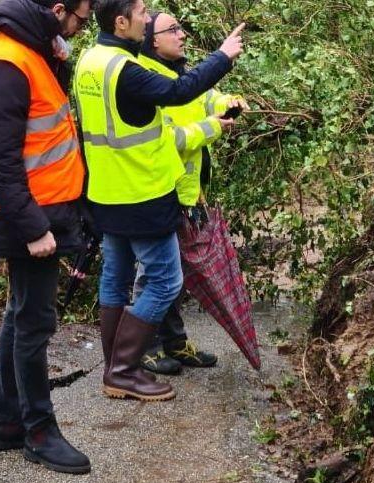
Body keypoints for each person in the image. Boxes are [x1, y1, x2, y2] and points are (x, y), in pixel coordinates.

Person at [73, 0, 245, 401]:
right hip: (142, 190)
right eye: (142, 13)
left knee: (115, 277)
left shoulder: (90, 60)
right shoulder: (126, 70)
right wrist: (222, 56)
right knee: (166, 282)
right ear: (120, 22)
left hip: (105, 190)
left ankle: (115, 365)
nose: (147, 20)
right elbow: (177, 90)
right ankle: (122, 370)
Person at [0, 0, 95, 475]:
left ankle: (4, 423)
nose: (81, 30)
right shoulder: (10, 63)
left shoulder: (35, 53)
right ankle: (39, 431)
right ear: (58, 9)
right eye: (80, 20)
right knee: (34, 322)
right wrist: (35, 229)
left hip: (44, 210)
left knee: (20, 314)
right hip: (28, 218)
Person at [134, 11, 248, 375]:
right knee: (152, 275)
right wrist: (212, 128)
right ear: (152, 39)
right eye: (173, 30)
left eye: (181, 28)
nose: (182, 35)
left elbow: (207, 96)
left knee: (175, 275)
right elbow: (170, 140)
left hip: (186, 195)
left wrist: (230, 103)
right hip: (159, 192)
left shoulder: (179, 74)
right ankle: (142, 347)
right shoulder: (149, 81)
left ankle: (175, 342)